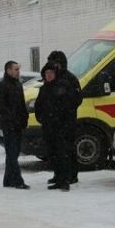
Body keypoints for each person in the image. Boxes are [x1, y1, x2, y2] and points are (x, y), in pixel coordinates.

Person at [35, 61, 75, 192]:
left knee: (62, 154)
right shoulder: (44, 88)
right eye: (46, 73)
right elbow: (38, 106)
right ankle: (57, 178)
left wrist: (63, 123)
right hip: (48, 127)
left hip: (61, 127)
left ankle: (64, 181)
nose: (49, 75)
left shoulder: (63, 86)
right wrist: (41, 118)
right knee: (53, 155)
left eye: (51, 73)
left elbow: (69, 107)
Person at [47, 50, 83, 184]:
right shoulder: (52, 78)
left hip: (67, 121)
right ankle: (59, 174)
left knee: (68, 149)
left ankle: (72, 175)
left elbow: (78, 99)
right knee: (56, 150)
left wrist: (65, 107)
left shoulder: (70, 79)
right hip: (54, 121)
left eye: (53, 63)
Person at [0, 60, 30, 190]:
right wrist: (10, 116)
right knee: (12, 152)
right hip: (9, 125)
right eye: (16, 69)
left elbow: (21, 104)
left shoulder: (18, 85)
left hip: (18, 123)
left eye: (18, 69)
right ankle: (17, 180)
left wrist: (24, 118)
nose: (18, 72)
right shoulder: (2, 86)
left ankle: (8, 179)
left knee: (13, 153)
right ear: (8, 70)